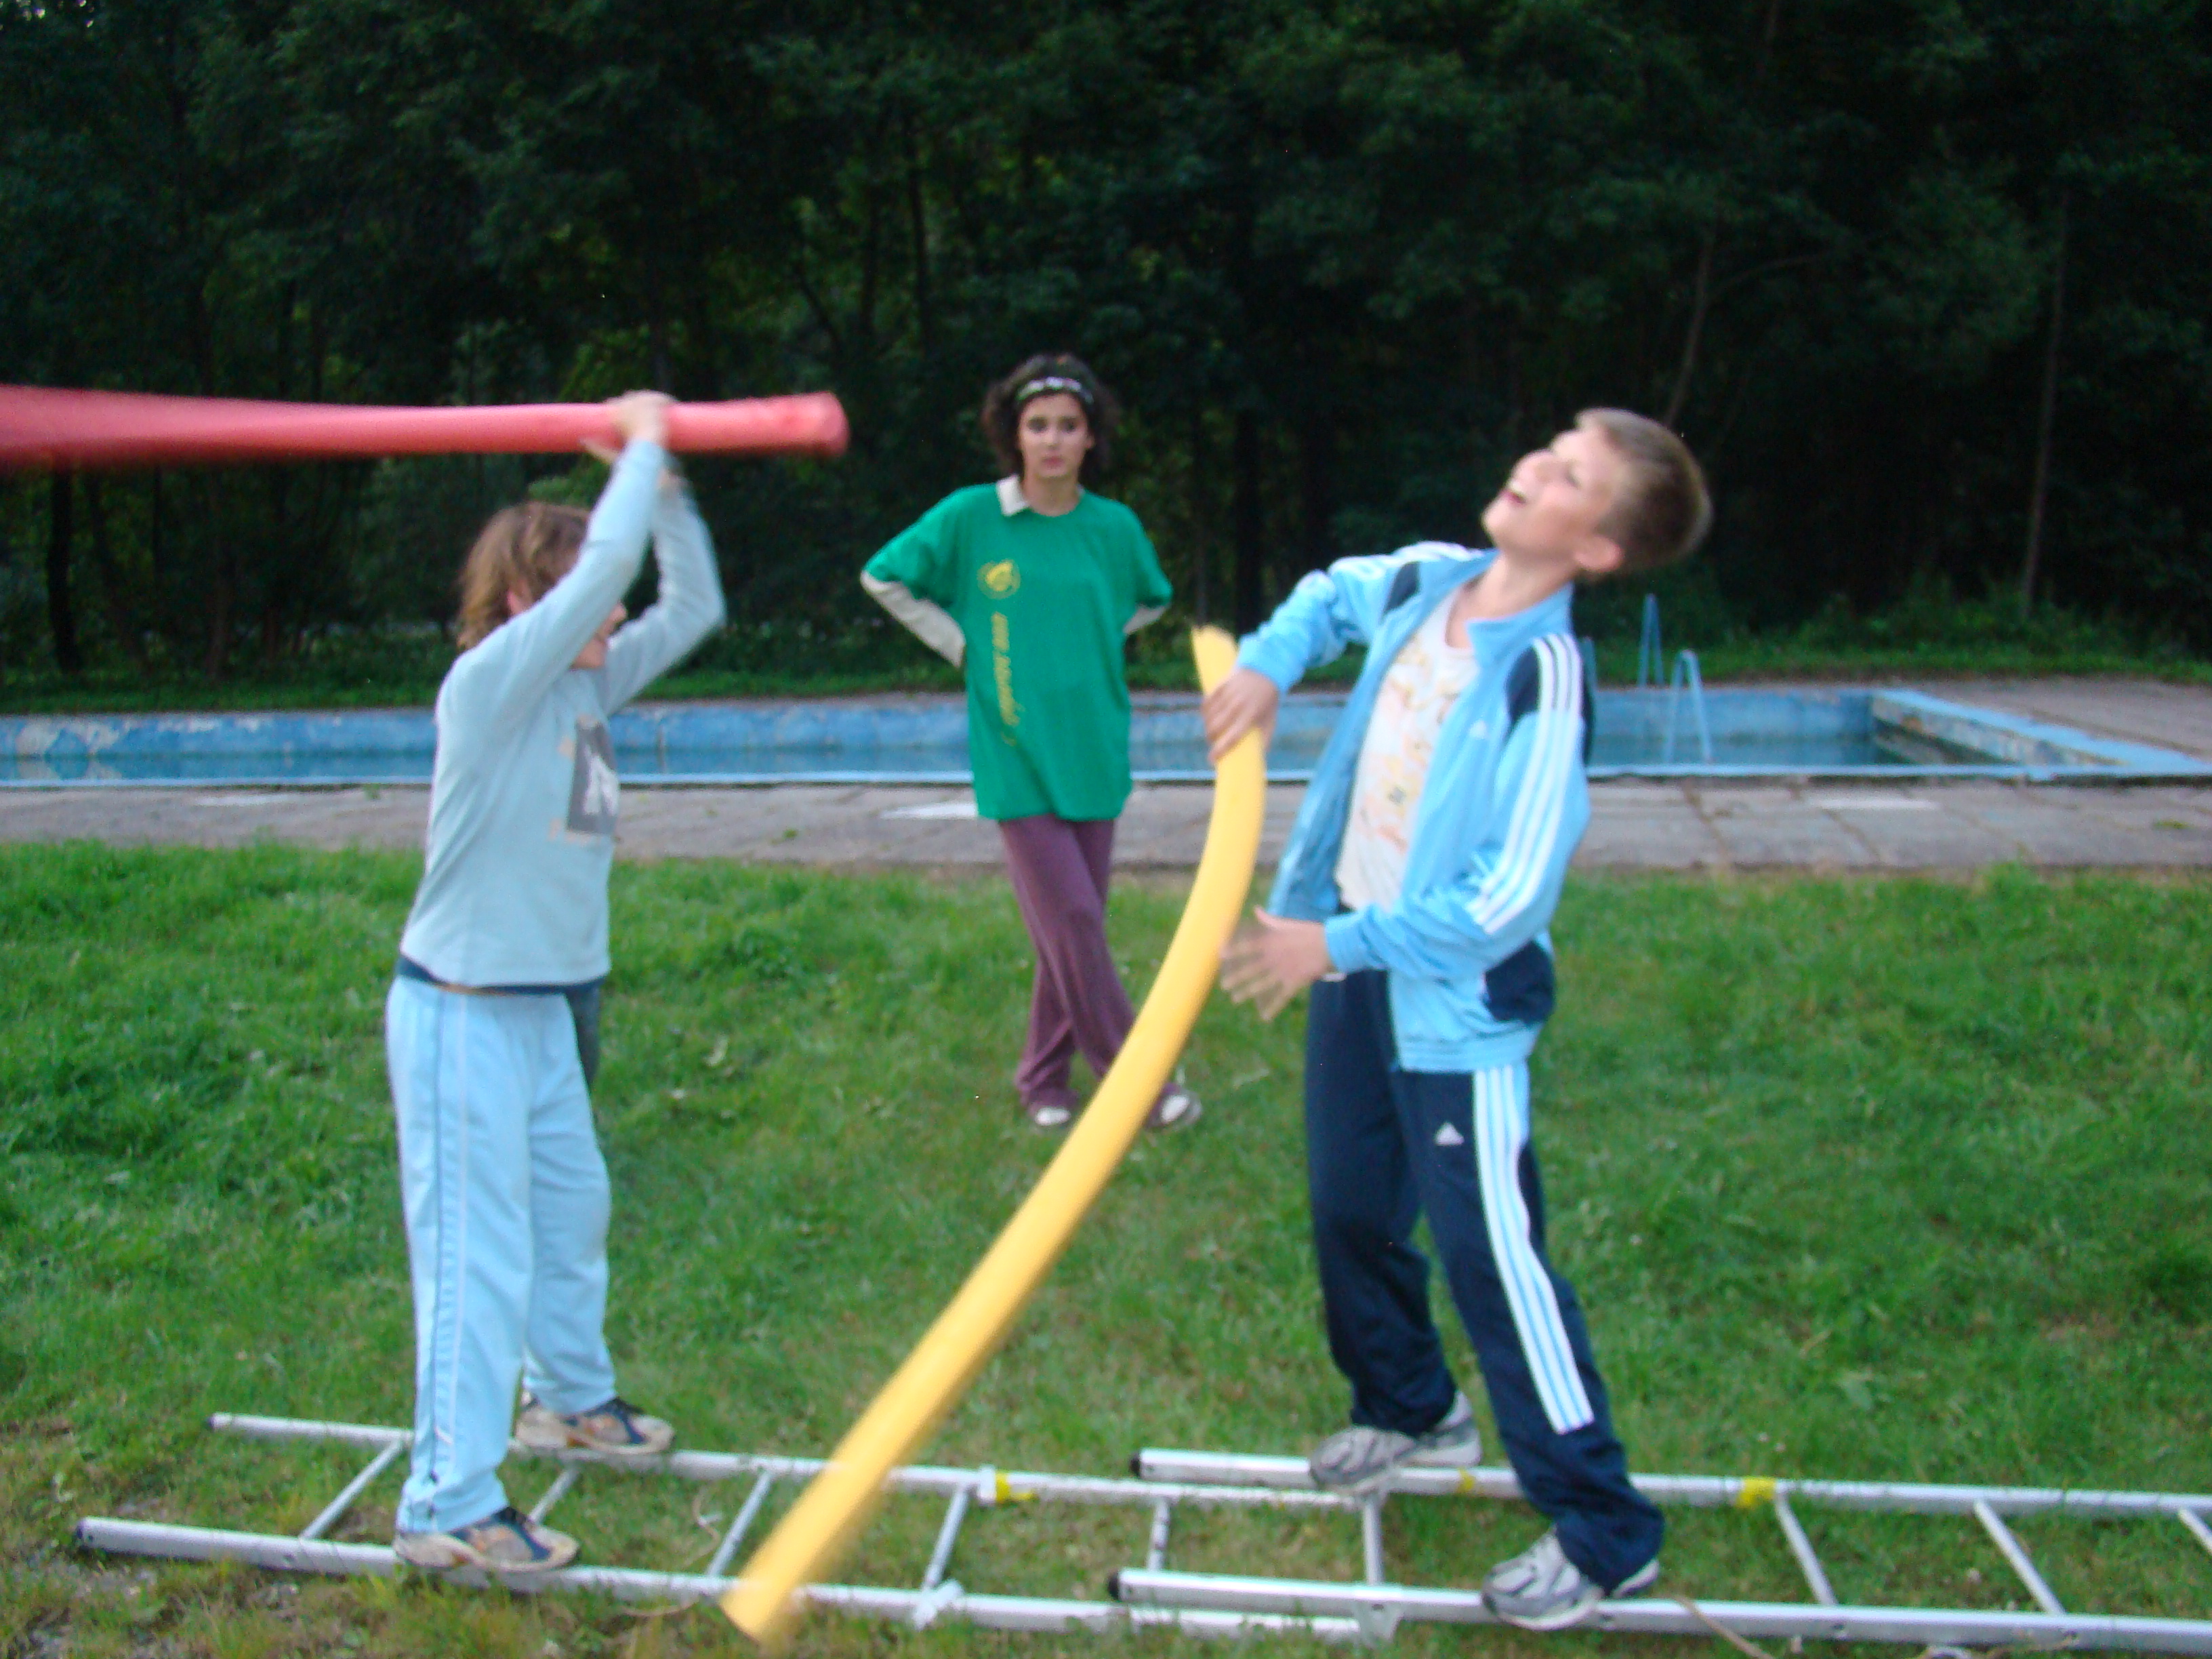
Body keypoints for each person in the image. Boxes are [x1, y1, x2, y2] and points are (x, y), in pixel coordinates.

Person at [1203, 409, 1710, 1630]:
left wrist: (1329, 943)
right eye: (1551, 446)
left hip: (1453, 1012)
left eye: (1570, 476)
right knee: (1348, 1203)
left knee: (1496, 1263)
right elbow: (1329, 595)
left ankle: (1604, 1529)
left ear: (1596, 549)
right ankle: (1410, 1407)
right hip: (1355, 963)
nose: (1534, 466)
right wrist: (1266, 662)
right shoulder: (1430, 580)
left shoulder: (1545, 678)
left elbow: (1504, 898)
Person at [384, 391, 726, 1574]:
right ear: (529, 598)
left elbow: (694, 605)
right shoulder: (489, 685)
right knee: (474, 1258)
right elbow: (609, 579)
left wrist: (664, 491)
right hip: (462, 1012)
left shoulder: (583, 685)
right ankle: (446, 1500)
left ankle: (567, 1400)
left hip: (544, 1007)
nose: (613, 609)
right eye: (584, 588)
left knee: (571, 1213)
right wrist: (639, 445)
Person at [862, 353, 1199, 1133]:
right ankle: (1138, 1086)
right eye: (1037, 425)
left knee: (1068, 930)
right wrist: (961, 644)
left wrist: (1094, 636)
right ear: (1013, 436)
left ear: (1091, 438)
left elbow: (1152, 598)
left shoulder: (1114, 528)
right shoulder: (973, 517)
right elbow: (883, 576)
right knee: (1074, 921)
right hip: (1015, 749)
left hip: (1094, 745)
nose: (1052, 440)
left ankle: (1043, 1080)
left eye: (1068, 427)